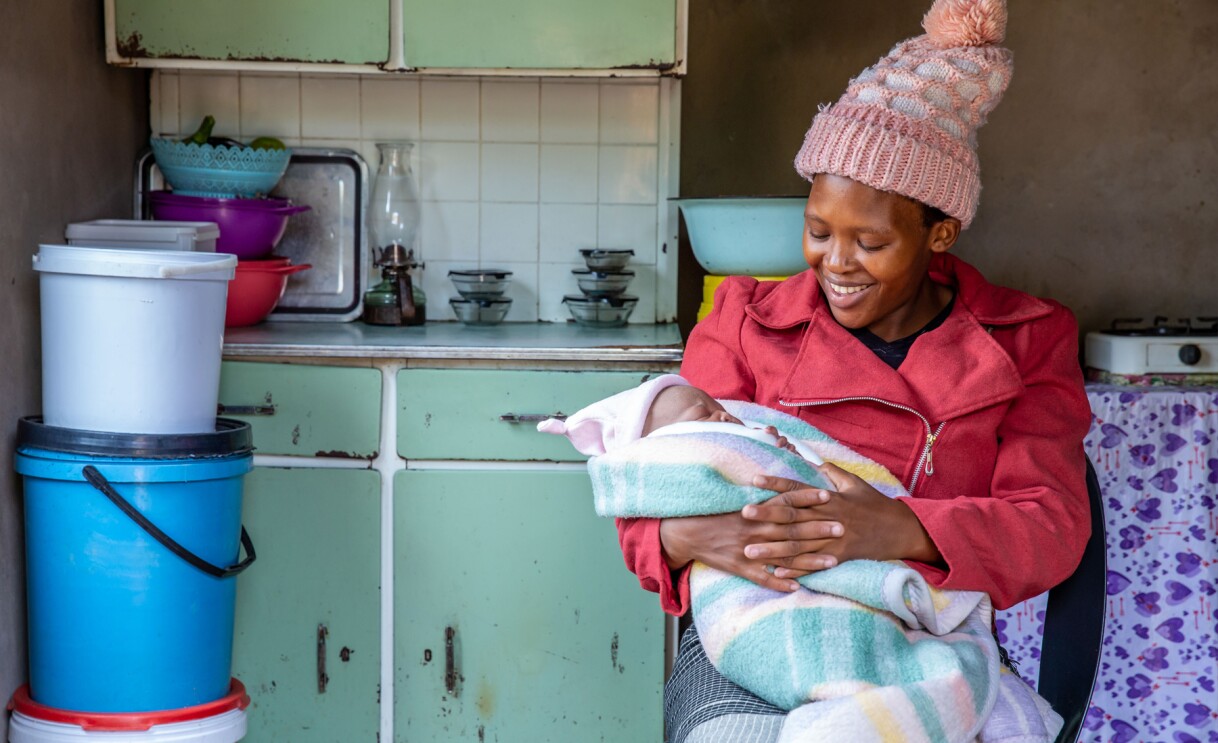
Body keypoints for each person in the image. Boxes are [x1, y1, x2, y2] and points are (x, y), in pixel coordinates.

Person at [616, 0, 1093, 740]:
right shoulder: (745, 322)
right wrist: (689, 540)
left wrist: (893, 526)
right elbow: (660, 485)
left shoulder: (1025, 340)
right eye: (817, 232)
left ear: (939, 234)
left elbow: (1053, 526)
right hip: (748, 630)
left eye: (869, 242)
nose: (836, 264)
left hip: (926, 634)